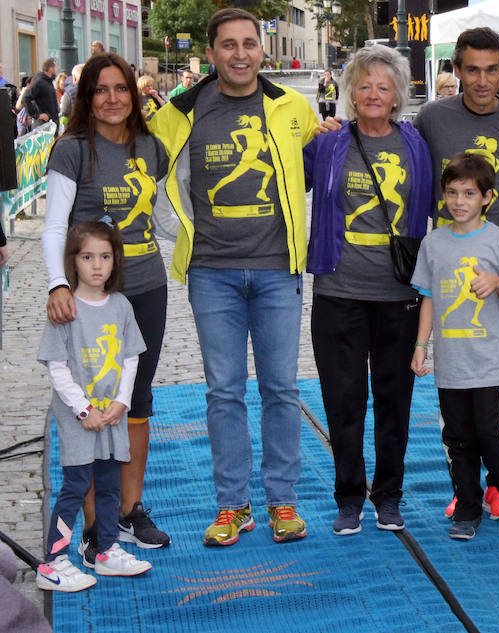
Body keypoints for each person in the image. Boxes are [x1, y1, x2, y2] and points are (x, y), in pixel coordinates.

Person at [150, 7, 319, 546]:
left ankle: (283, 501)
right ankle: (232, 506)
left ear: (262, 50)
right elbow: (134, 161)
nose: (241, 53)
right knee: (223, 391)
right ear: (212, 51)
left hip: (277, 271)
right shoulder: (180, 111)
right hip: (211, 273)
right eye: (229, 44)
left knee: (280, 388)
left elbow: (328, 159)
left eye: (249, 43)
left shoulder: (293, 107)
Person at [43, 53, 172, 558]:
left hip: (147, 287)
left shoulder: (151, 147)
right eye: (102, 90)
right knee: (92, 400)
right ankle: (97, 524)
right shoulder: (72, 150)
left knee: (136, 399)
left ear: (134, 95)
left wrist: (212, 234)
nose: (113, 99)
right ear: (87, 98)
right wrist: (58, 284)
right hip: (89, 297)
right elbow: (55, 227)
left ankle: (129, 509)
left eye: (121, 89)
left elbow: (162, 218)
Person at [415, 27, 499, 520]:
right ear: (457, 69)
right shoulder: (431, 118)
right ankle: (467, 483)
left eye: (493, 69)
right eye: (472, 69)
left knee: (496, 394)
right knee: (457, 393)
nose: (483, 80)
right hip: (448, 280)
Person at [305, 44, 431, 536]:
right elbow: (288, 177)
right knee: (343, 397)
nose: (374, 94)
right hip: (338, 290)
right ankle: (349, 497)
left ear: (398, 96)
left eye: (384, 86)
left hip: (398, 291)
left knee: (394, 397)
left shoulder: (416, 145)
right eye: (365, 85)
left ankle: (390, 495)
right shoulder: (331, 142)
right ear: (350, 93)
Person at [411, 153, 499, 540]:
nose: (459, 201)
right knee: (457, 440)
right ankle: (467, 508)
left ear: (487, 197)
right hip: (451, 366)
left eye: (469, 193)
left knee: (495, 436)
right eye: (452, 193)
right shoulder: (433, 243)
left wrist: (495, 284)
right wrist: (421, 345)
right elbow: (429, 298)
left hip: (491, 364)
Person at [36, 220, 152, 593]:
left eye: (104, 257)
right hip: (80, 419)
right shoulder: (65, 309)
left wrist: (120, 402)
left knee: (108, 486)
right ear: (74, 261)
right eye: (88, 257)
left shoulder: (121, 306)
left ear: (115, 261)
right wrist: (84, 410)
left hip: (112, 416)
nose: (97, 265)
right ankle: (53, 562)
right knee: (75, 487)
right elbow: (58, 367)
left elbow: (131, 358)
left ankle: (106, 550)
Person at [23, 58, 59, 129]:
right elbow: (25, 98)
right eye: (55, 67)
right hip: (43, 125)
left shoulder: (49, 82)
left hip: (52, 124)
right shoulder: (39, 82)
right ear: (51, 68)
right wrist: (37, 115)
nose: (56, 70)